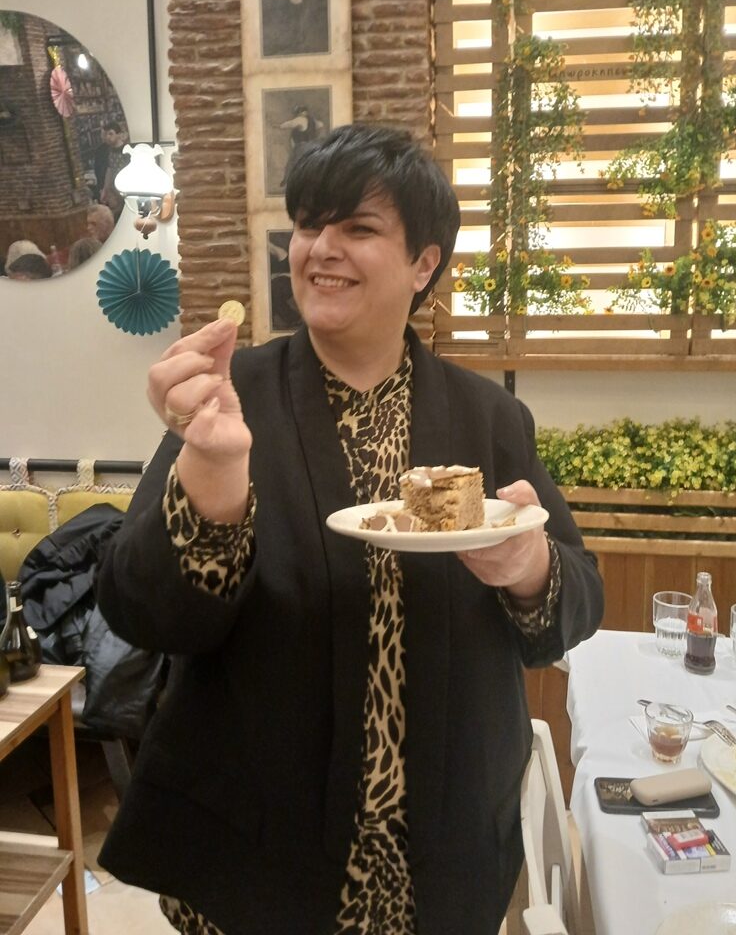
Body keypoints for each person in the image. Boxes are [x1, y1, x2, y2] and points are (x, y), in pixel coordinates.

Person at [96, 123, 603, 935]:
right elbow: (144, 612)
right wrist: (214, 476)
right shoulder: (233, 396)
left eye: (358, 228)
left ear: (424, 264)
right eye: (308, 224)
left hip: (441, 855)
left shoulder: (488, 416)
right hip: (259, 853)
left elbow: (573, 609)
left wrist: (529, 566)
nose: (321, 248)